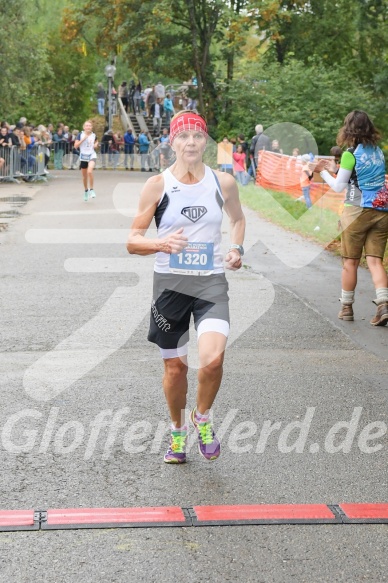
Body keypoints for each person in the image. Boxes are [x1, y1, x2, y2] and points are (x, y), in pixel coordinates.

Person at [126, 110, 246, 464]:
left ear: (205, 141)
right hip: (170, 288)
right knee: (175, 368)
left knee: (212, 360)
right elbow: (133, 240)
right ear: (172, 142)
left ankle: (202, 418)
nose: (191, 142)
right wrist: (160, 244)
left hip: (210, 283)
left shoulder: (223, 183)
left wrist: (237, 248)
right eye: (184, 136)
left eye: (197, 136)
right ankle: (178, 432)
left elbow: (238, 219)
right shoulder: (157, 185)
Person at [314, 110, 388, 326]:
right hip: (382, 210)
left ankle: (346, 308)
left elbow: (339, 187)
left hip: (357, 211)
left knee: (350, 263)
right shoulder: (378, 152)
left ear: (348, 129)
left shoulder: (350, 153)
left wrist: (324, 172)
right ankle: (383, 305)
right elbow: (360, 175)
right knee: (375, 261)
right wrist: (336, 169)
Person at [74, 120, 98, 201]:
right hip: (83, 156)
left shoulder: (94, 135)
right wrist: (83, 139)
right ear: (84, 127)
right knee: (84, 176)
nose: (88, 127)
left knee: (90, 172)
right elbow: (76, 146)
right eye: (86, 126)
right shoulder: (80, 135)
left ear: (91, 127)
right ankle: (86, 191)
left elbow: (96, 142)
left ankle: (91, 190)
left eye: (89, 126)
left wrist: (96, 145)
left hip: (92, 155)